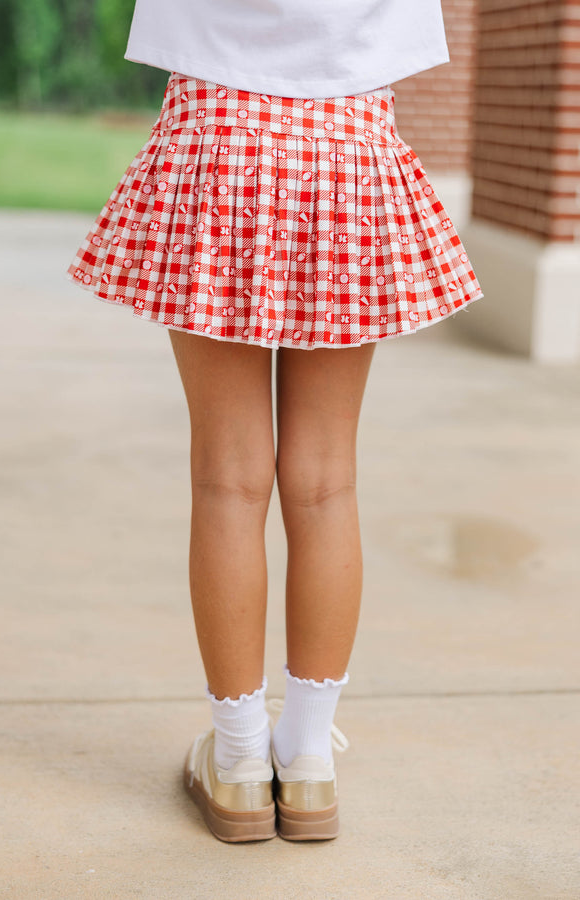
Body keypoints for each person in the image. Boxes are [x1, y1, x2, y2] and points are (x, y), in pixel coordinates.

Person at [67, 0, 484, 843]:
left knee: (228, 477)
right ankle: (309, 763)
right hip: (349, 138)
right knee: (326, 482)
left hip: (218, 131)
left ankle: (240, 763)